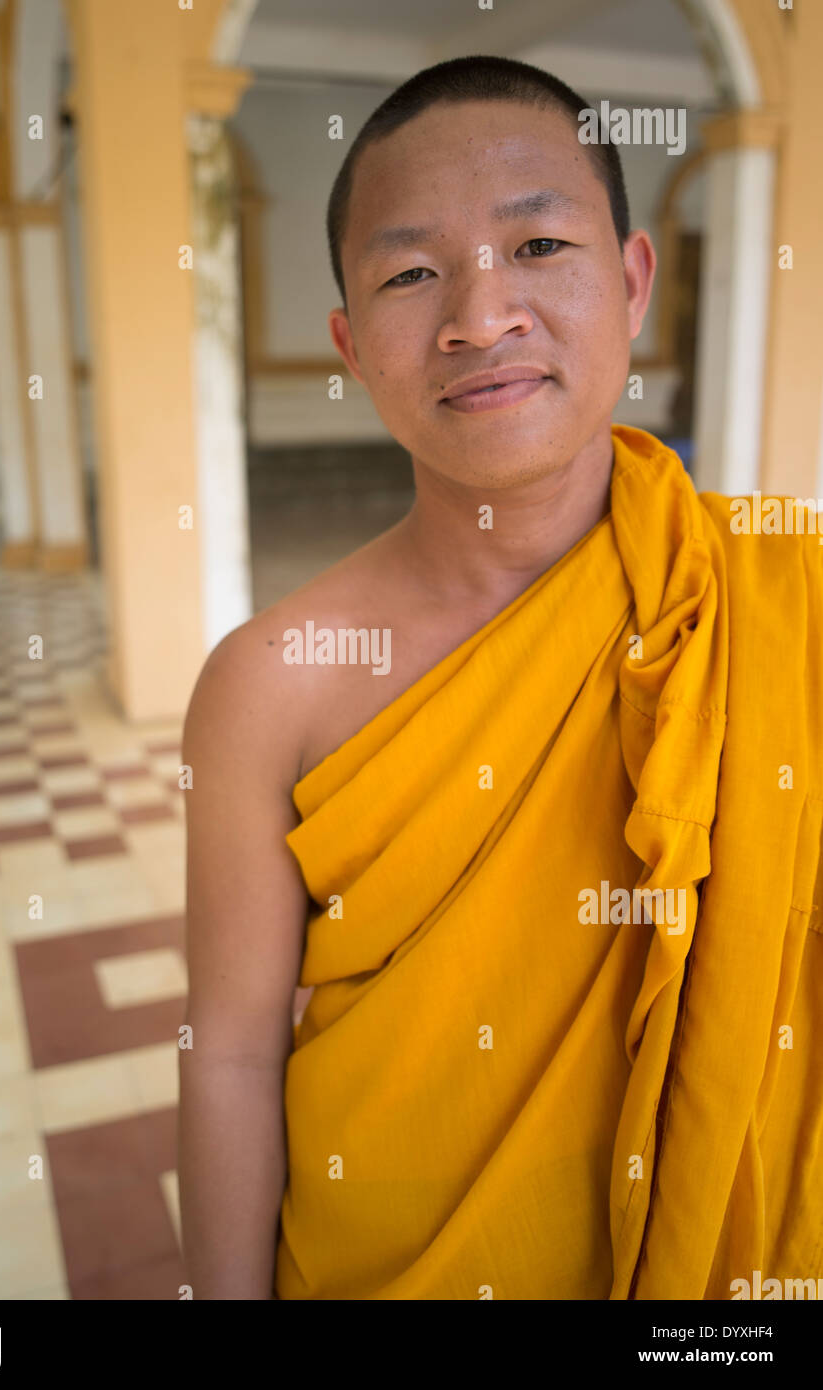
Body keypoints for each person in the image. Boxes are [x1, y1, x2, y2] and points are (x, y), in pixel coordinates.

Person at [177, 55, 823, 1301]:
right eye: (412, 273)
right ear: (354, 345)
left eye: (537, 246)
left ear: (632, 283)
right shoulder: (270, 683)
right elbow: (231, 1057)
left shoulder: (778, 592)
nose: (479, 315)